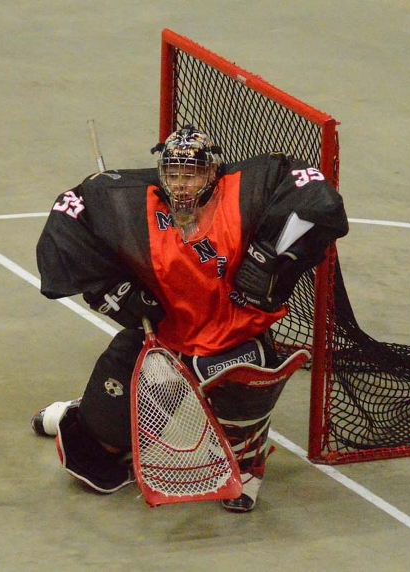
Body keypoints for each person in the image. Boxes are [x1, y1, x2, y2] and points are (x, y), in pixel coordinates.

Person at [31, 125, 349, 512]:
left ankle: (248, 460)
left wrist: (269, 255)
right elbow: (66, 216)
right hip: (164, 338)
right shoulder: (128, 199)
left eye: (192, 173)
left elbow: (318, 194)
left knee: (243, 395)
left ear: (213, 173)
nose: (182, 184)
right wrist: (110, 291)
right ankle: (81, 411)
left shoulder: (247, 189)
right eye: (174, 173)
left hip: (235, 340)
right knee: (98, 447)